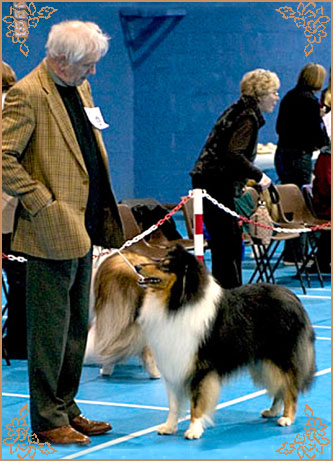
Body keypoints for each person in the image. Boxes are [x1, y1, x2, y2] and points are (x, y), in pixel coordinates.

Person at [2, 21, 124, 445]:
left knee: (76, 325)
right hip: (49, 228)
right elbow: (3, 159)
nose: (92, 73)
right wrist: (40, 202)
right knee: (50, 329)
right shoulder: (28, 94)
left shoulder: (79, 88)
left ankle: (67, 407)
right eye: (87, 65)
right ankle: (47, 418)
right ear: (60, 60)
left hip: (84, 225)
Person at [190, 69, 279, 288]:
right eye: (273, 92)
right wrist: (259, 177)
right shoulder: (247, 117)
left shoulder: (239, 110)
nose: (276, 97)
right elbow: (233, 154)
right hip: (215, 186)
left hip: (212, 183)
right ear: (260, 94)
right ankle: (229, 298)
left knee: (227, 246)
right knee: (227, 248)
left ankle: (228, 295)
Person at [274, 63, 329, 264]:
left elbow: (280, 127)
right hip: (299, 156)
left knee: (288, 204)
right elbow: (316, 136)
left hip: (282, 154)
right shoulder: (310, 102)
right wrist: (320, 120)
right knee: (301, 205)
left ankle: (292, 251)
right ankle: (296, 253)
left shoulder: (289, 96)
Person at [2, 61, 28, 360]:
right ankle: (20, 339)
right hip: (20, 211)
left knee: (19, 279)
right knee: (22, 278)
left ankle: (17, 341)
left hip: (8, 211)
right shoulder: (21, 103)